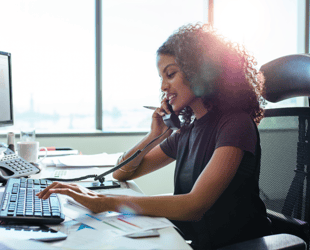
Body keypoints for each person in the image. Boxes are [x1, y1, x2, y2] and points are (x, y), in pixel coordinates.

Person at [37, 23, 271, 249]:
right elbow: (123, 171)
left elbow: (194, 206)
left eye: (170, 74)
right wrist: (154, 135)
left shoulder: (236, 124)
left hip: (234, 245)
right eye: (162, 77)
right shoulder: (187, 131)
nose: (163, 87)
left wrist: (104, 203)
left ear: (199, 71)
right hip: (192, 241)